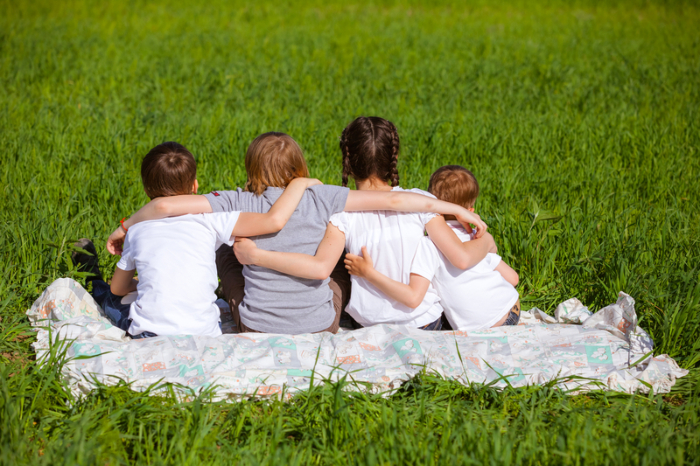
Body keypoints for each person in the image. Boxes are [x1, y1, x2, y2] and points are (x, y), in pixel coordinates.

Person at [107, 132, 487, 335]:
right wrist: (451, 207)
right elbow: (396, 202)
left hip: (257, 323)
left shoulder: (237, 200)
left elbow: (166, 206)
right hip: (320, 324)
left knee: (225, 248)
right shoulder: (323, 196)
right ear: (300, 166)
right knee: (336, 257)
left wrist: (127, 225)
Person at [233, 117, 497, 331]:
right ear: (392, 157)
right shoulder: (421, 203)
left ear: (347, 161)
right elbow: (461, 259)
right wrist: (487, 241)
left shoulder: (339, 212)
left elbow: (320, 265)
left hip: (367, 323)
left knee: (337, 263)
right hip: (425, 321)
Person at [73, 141, 318, 338]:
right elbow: (269, 221)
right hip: (205, 333)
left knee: (110, 298)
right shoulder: (213, 220)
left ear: (146, 190)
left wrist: (143, 284)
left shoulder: (138, 230)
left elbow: (118, 288)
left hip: (150, 333)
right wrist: (298, 186)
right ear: (195, 185)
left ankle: (89, 272)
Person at [344, 165, 521, 330]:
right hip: (511, 311)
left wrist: (369, 272)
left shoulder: (428, 246)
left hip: (472, 327)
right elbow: (513, 279)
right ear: (471, 210)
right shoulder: (475, 238)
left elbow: (414, 296)